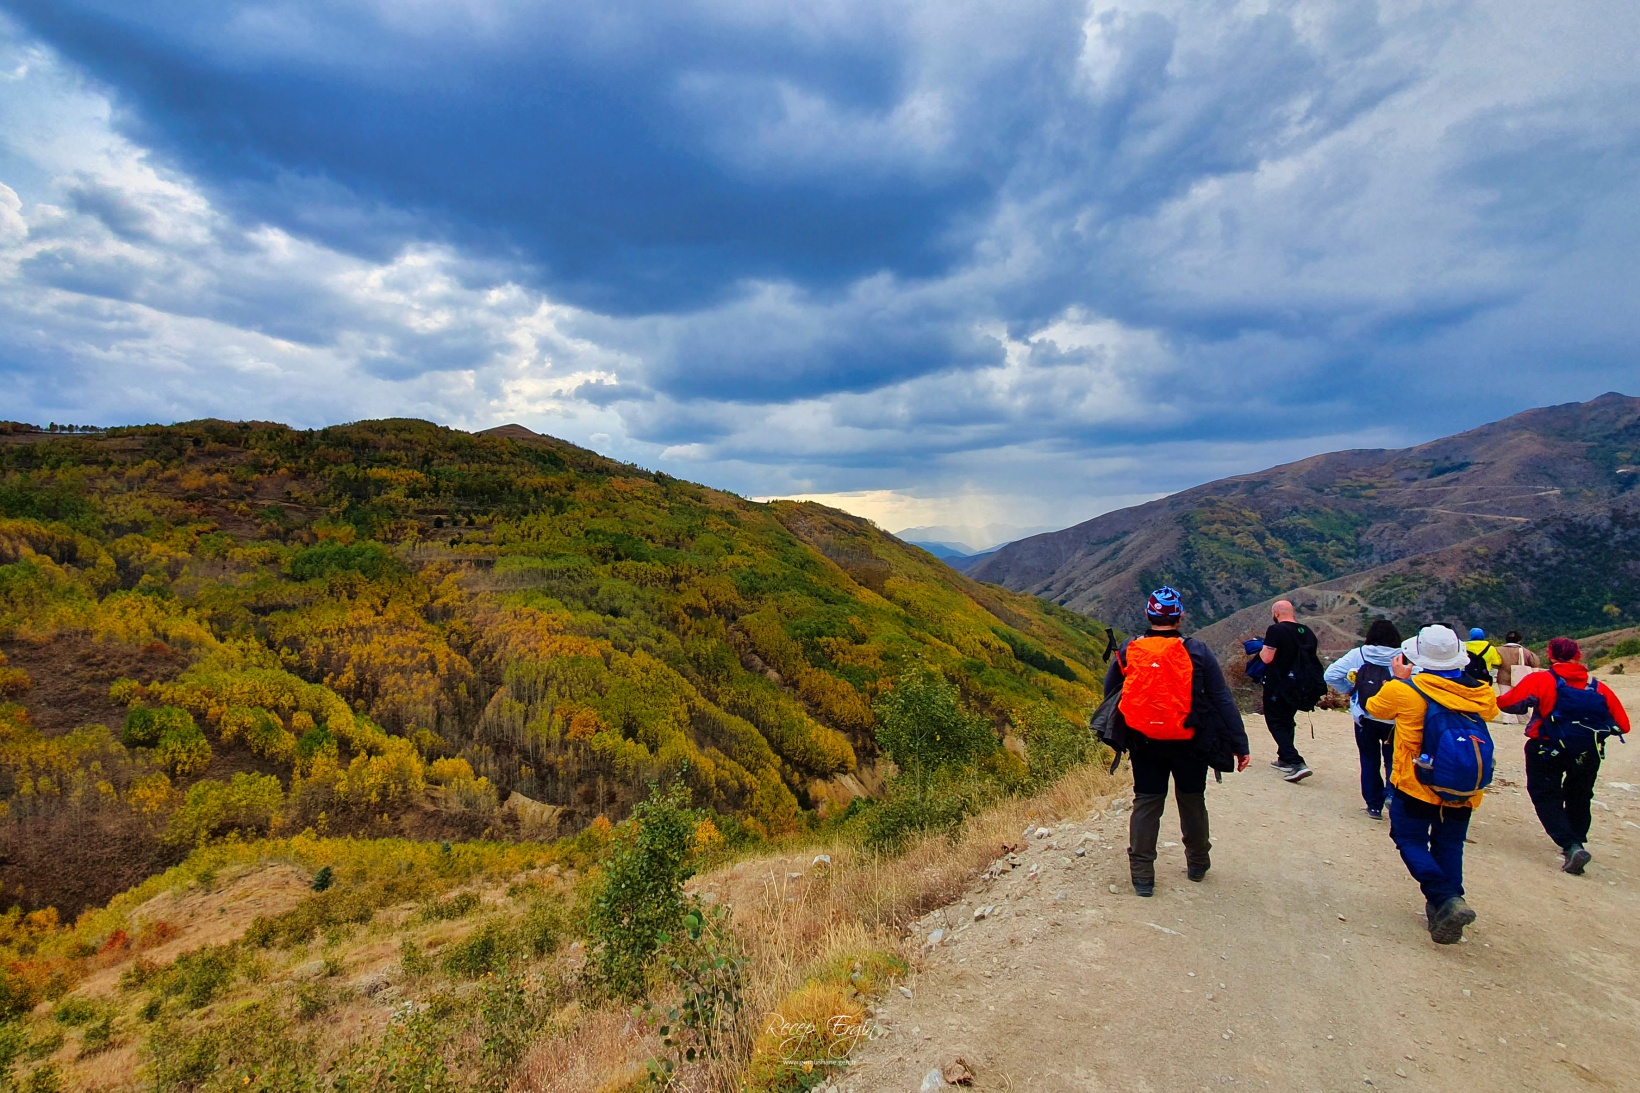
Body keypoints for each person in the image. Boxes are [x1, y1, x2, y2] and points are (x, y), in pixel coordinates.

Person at [1104, 586, 1251, 897]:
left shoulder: (1130, 649)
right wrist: (1240, 743)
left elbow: (1111, 692)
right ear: (1180, 616)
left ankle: (1143, 877)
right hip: (1190, 741)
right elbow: (1221, 698)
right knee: (1192, 800)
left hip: (1145, 741)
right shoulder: (1197, 651)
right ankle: (1197, 863)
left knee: (1146, 803)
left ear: (1148, 614)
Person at [1366, 625, 1500, 944]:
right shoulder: (1480, 691)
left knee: (1409, 838)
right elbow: (1492, 712)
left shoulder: (1407, 689)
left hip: (1416, 782)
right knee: (1449, 845)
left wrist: (1399, 678)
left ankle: (1445, 898)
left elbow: (1374, 708)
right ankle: (1449, 903)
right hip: (1462, 786)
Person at [1497, 638, 1631, 874]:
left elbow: (1507, 703)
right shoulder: (1598, 687)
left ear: (1551, 655)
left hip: (1546, 747)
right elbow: (1623, 725)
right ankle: (1577, 839)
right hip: (1588, 751)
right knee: (1580, 794)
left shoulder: (1541, 680)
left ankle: (1570, 845)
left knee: (1546, 794)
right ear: (1578, 655)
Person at [1323, 619, 1403, 818]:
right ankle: (1392, 794)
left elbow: (1330, 675)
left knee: (1369, 760)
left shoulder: (1359, 654)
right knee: (1394, 759)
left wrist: (1351, 691)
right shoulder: (1404, 657)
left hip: (1364, 718)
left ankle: (1374, 806)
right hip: (1394, 721)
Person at [1258, 599, 1324, 782]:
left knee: (1275, 721)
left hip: (1278, 683)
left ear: (1276, 613)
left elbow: (1267, 658)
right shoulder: (1307, 632)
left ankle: (1296, 762)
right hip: (1301, 685)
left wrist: (1260, 648)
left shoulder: (1276, 630)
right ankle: (1284, 758)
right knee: (1287, 719)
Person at [1495, 632, 1542, 724]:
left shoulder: (1498, 650)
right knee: (1520, 697)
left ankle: (1507, 718)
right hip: (1520, 677)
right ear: (1519, 640)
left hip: (1503, 677)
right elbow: (1535, 663)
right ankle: (1523, 718)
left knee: (1504, 697)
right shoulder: (1525, 651)